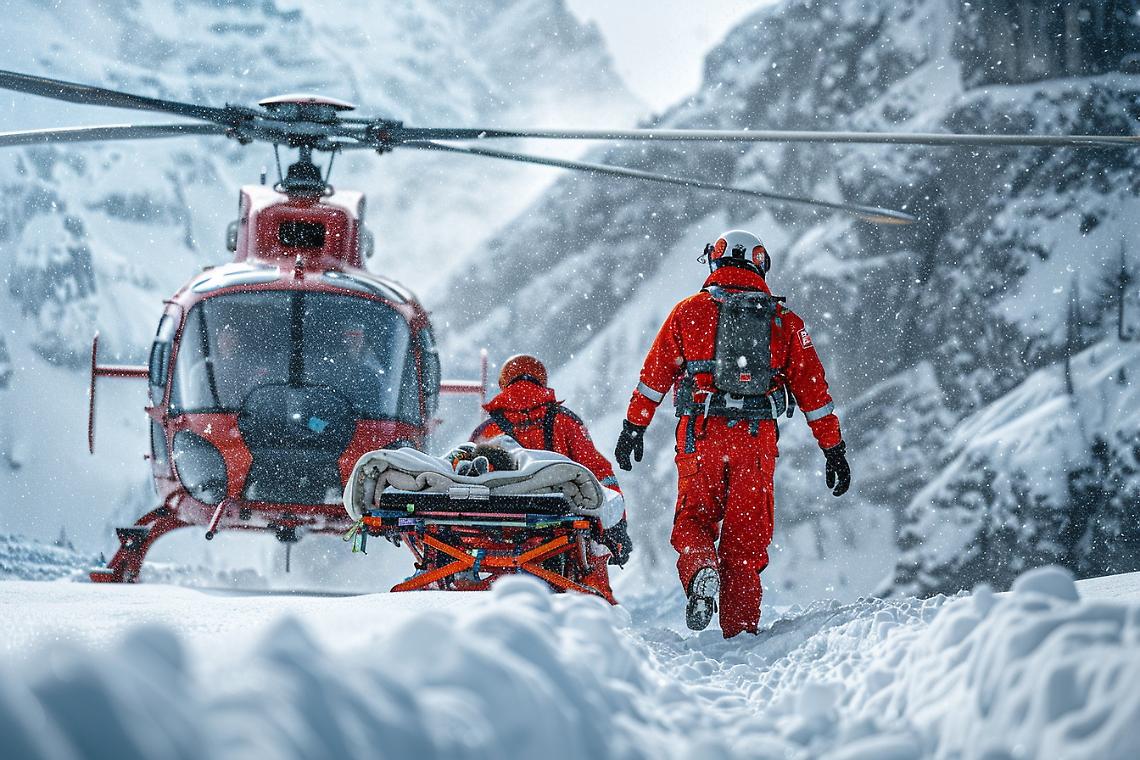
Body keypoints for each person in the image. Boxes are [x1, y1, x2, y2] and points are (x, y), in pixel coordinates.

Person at [614, 229, 851, 637]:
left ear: (715, 261)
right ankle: (738, 634)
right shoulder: (785, 322)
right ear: (760, 264)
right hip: (755, 441)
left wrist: (633, 427)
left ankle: (701, 566)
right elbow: (815, 392)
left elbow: (652, 378)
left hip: (701, 436)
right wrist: (834, 449)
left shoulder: (688, 312)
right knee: (744, 542)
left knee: (693, 520)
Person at [471, 354, 633, 565]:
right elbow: (599, 473)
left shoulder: (486, 431)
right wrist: (617, 528)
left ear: (503, 384)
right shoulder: (564, 421)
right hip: (557, 528)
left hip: (497, 531)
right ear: (542, 380)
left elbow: (469, 479)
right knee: (592, 570)